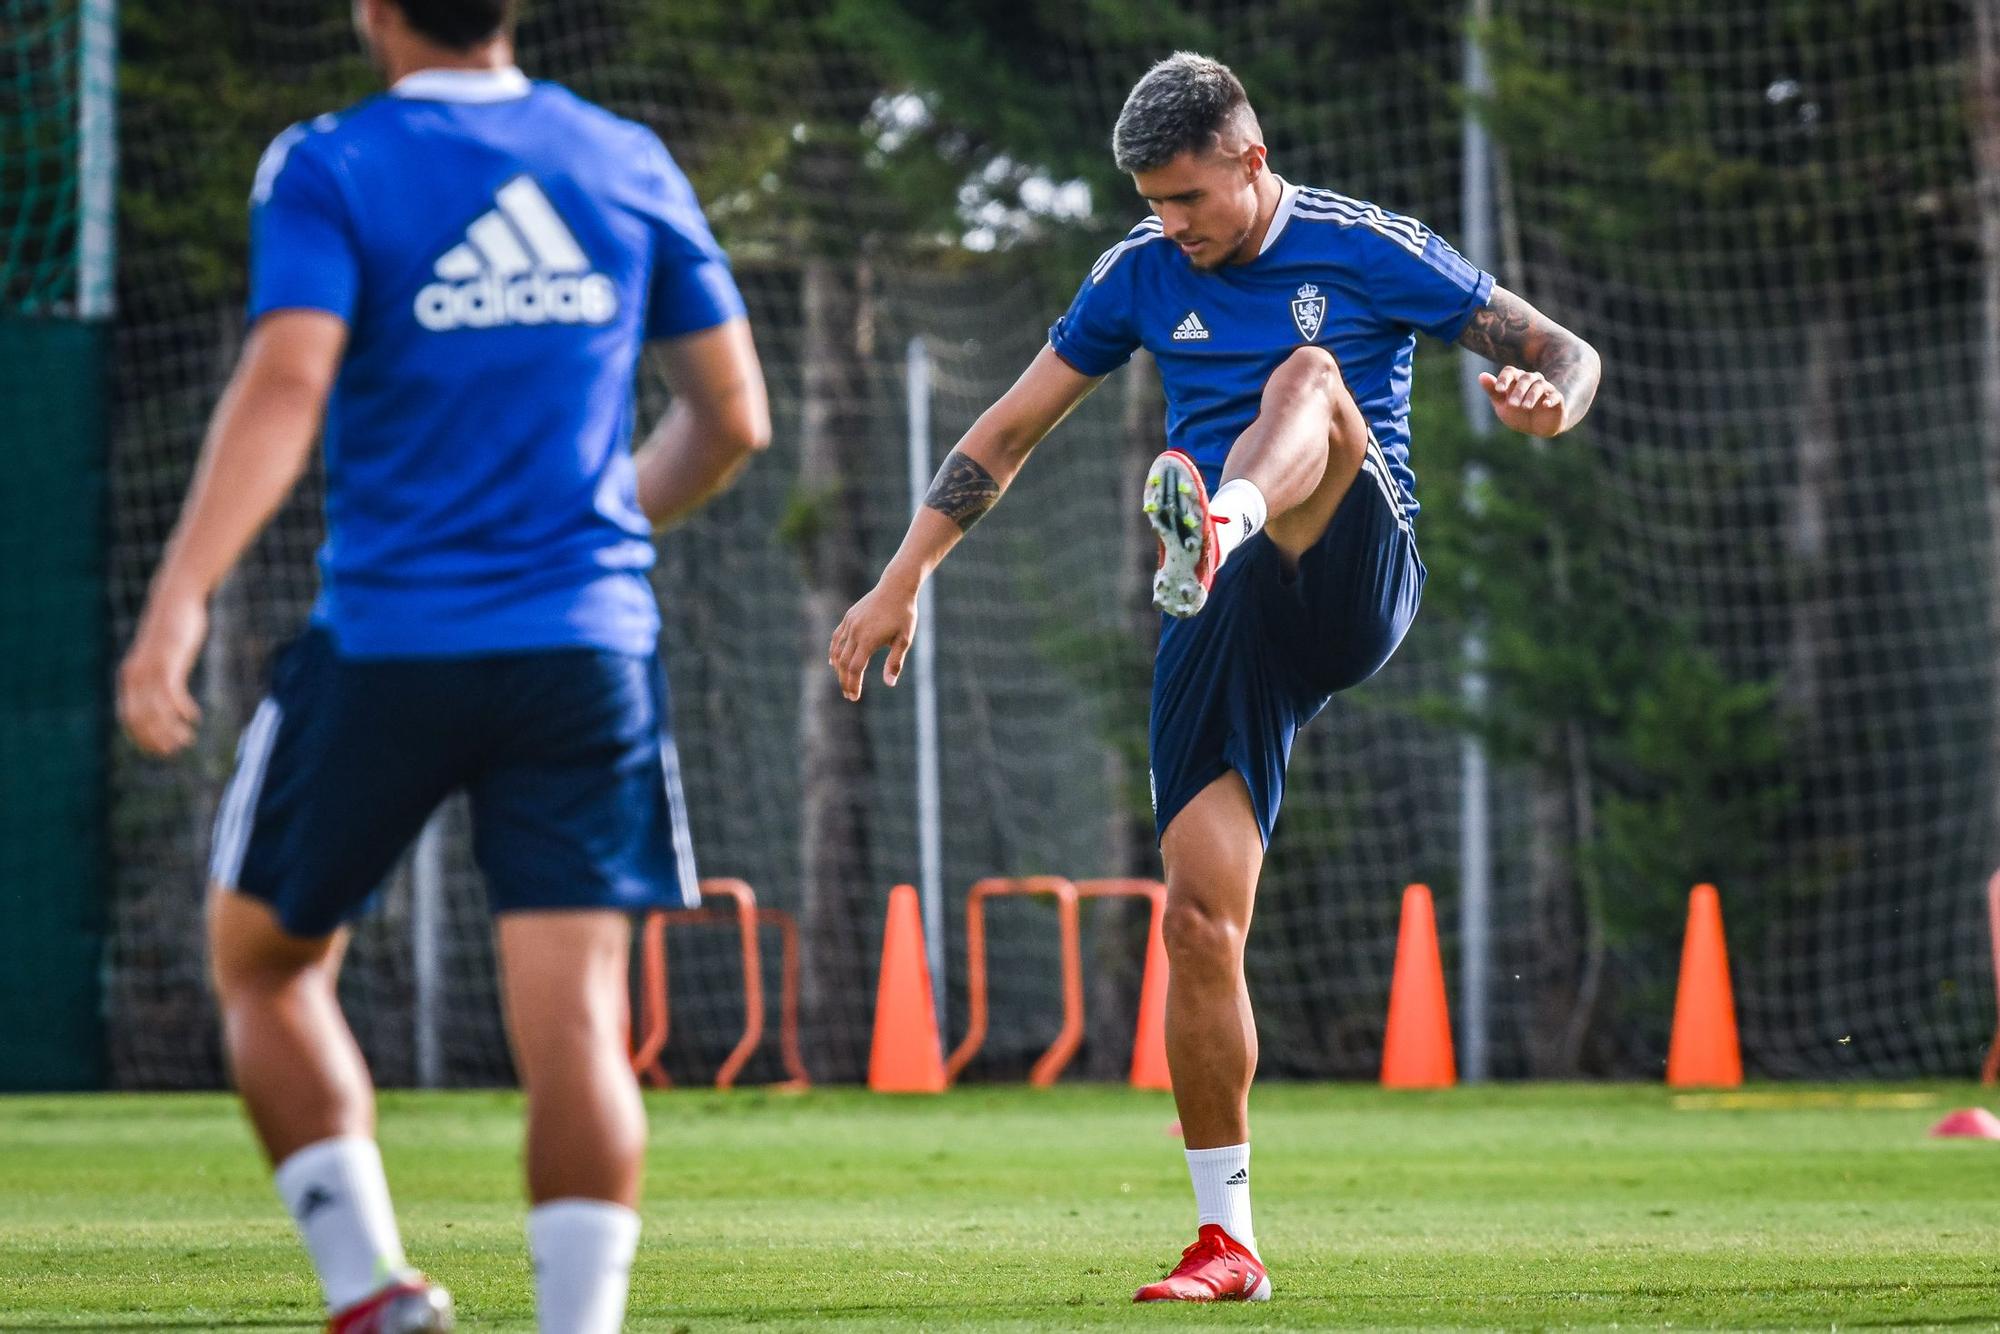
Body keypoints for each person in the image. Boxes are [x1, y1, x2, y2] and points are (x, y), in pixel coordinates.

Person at [829, 51, 1600, 1303]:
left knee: (1309, 378)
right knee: (1194, 919)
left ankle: (1223, 517)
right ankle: (1225, 1240)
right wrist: (900, 576)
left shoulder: (1363, 247)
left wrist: (1546, 403)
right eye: (1150, 201)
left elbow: (1564, 352)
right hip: (1217, 608)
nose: (1170, 224)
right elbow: (1006, 431)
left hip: (1348, 564)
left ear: (1251, 159)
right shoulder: (1136, 272)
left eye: (1186, 197)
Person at [114, 1, 769, 1329]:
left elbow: (287, 380)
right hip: (585, 652)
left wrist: (178, 594)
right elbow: (733, 419)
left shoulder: (330, 163)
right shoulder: (624, 158)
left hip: (390, 645)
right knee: (577, 1022)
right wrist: (593, 531)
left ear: (374, 8)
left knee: (263, 963)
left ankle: (371, 1291)